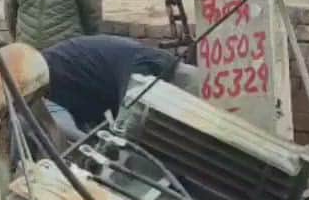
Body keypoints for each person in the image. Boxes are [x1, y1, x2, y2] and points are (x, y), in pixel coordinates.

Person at [4, 0, 104, 131]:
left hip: (67, 73)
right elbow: (12, 22)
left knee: (66, 130)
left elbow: (94, 30)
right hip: (28, 72)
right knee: (25, 128)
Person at [39, 34, 203, 140]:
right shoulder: (57, 76)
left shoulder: (54, 66)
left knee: (130, 136)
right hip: (143, 68)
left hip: (144, 67)